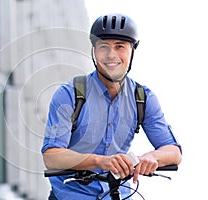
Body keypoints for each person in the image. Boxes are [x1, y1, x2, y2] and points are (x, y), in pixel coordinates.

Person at [41, 13, 182, 200]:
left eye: (120, 47)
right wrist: (100, 161)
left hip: (119, 194)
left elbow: (173, 151)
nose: (111, 55)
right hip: (72, 195)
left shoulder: (143, 97)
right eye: (103, 47)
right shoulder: (70, 94)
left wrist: (152, 157)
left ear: (132, 51)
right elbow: (52, 157)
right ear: (94, 51)